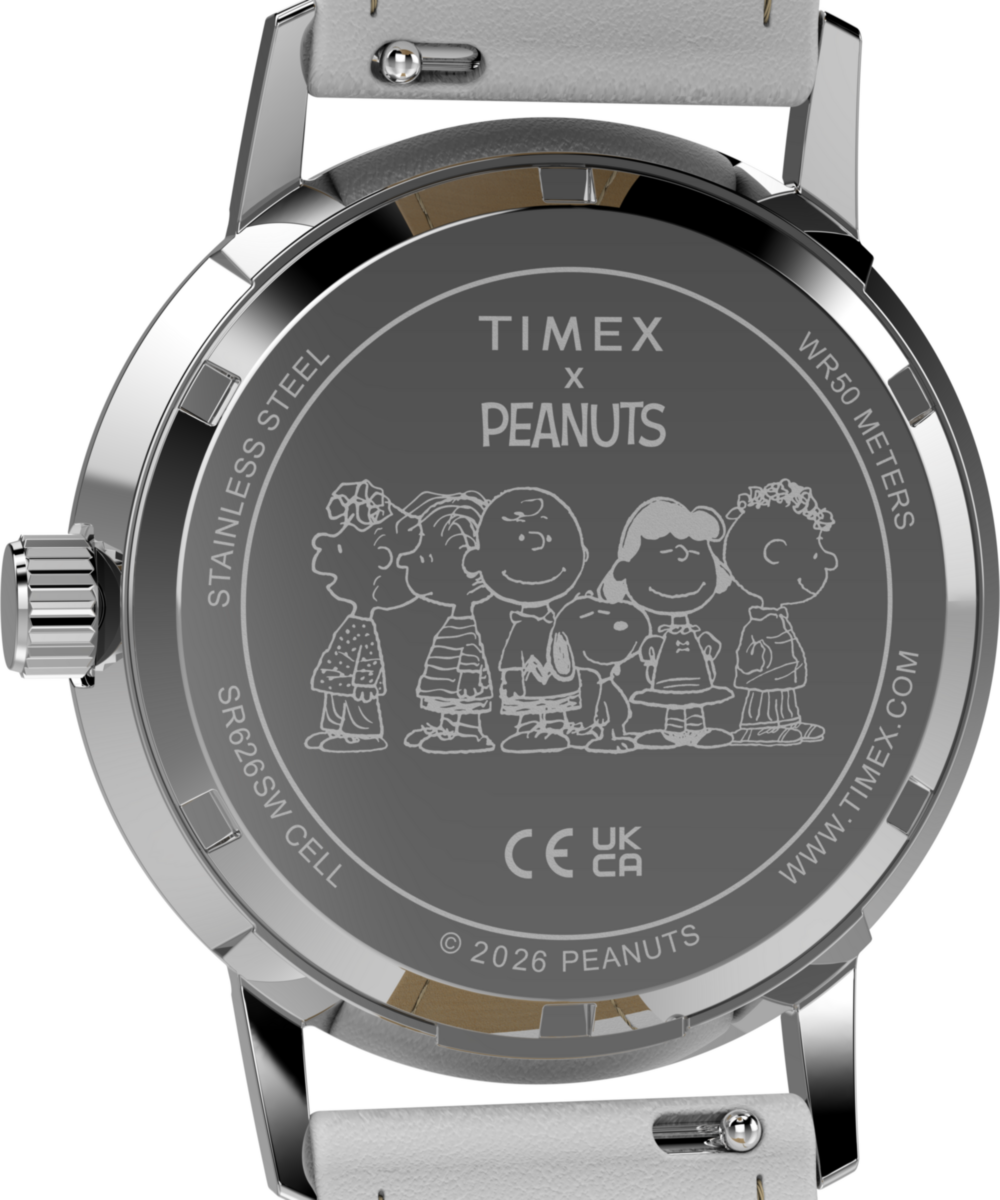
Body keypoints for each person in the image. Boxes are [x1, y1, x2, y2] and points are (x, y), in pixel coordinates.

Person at [463, 487, 588, 753]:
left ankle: (556, 722)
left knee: (557, 699)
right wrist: (512, 677)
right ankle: (529, 725)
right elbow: (512, 655)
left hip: (558, 675)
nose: (535, 546)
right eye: (520, 538)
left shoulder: (558, 623)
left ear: (582, 555)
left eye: (549, 539)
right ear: (478, 561)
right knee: (529, 702)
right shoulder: (521, 627)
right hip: (528, 678)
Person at [603, 498, 734, 748]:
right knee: (673, 702)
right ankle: (672, 731)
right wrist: (650, 651)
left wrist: (708, 646)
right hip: (667, 676)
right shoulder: (660, 636)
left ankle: (697, 730)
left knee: (695, 701)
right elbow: (648, 651)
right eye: (661, 559)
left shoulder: (695, 632)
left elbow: (711, 646)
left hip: (697, 675)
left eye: (695, 556)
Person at [305, 480, 421, 752]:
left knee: (357, 705)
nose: (321, 567)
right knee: (335, 700)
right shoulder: (354, 623)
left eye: (342, 550)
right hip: (339, 678)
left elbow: (369, 657)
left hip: (353, 682)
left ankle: (363, 735)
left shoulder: (363, 628)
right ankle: (334, 729)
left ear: (379, 560)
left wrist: (366, 682)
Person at [723, 480, 838, 745]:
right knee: (765, 700)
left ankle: (787, 723)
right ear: (775, 554)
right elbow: (746, 654)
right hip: (764, 679)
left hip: (782, 677)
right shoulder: (759, 624)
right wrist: (753, 670)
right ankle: (756, 729)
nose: (829, 560)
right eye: (814, 552)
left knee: (784, 699)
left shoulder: (778, 619)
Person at [398, 491, 494, 753]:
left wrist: (470, 677)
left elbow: (470, 650)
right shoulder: (454, 621)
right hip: (449, 680)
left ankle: (470, 733)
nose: (408, 563)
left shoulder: (464, 625)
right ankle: (448, 728)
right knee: (450, 702)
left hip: (464, 683)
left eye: (425, 558)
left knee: (464, 704)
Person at [552, 594, 650, 753]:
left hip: (605, 682)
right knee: (606, 711)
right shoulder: (587, 681)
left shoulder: (605, 676)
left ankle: (617, 732)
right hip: (591, 703)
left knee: (618, 709)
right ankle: (605, 737)